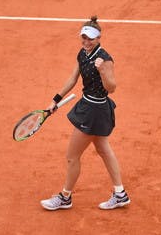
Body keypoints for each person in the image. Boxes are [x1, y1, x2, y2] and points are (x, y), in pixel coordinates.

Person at [40, 16, 130, 211]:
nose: (86, 42)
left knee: (72, 156)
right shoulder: (82, 53)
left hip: (95, 110)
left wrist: (103, 71)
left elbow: (112, 87)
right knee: (103, 149)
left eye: (90, 39)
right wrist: (55, 100)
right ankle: (120, 193)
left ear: (98, 39)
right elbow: (73, 78)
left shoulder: (105, 59)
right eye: (83, 37)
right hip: (88, 106)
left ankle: (65, 197)